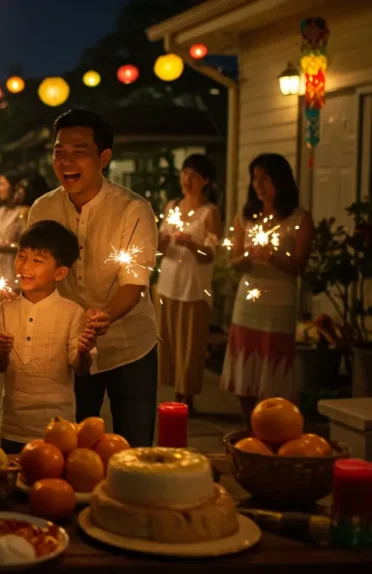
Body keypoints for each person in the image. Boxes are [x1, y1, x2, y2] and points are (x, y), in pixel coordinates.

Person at [27, 109, 158, 448]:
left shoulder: (133, 209)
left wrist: (104, 317)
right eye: (59, 151)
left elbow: (134, 282)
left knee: (134, 447)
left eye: (78, 151)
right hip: (71, 348)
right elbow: (35, 272)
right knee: (73, 450)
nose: (66, 160)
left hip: (129, 345)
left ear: (104, 157)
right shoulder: (42, 209)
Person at [221, 153, 313, 426]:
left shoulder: (298, 218)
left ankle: (274, 424)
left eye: (266, 178)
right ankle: (248, 423)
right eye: (255, 178)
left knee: (273, 363)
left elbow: (299, 265)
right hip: (249, 300)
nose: (259, 185)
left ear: (281, 181)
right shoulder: (245, 217)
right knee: (246, 362)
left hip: (279, 301)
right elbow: (235, 262)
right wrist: (246, 257)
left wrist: (273, 256)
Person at [0, 221, 97, 454]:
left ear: (60, 273)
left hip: (58, 429)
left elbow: (80, 368)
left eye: (37, 261)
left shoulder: (72, 313)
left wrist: (83, 350)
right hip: (13, 427)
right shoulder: (4, 310)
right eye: (21, 256)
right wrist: (2, 351)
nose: (24, 266)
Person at [156, 155, 222, 413]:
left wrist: (191, 244)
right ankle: (175, 392)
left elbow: (211, 253)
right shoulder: (172, 206)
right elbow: (160, 245)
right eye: (185, 173)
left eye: (193, 175)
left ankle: (188, 399)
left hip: (193, 286)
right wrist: (160, 242)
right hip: (169, 282)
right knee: (170, 341)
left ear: (205, 181)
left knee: (191, 344)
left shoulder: (210, 212)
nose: (187, 179)